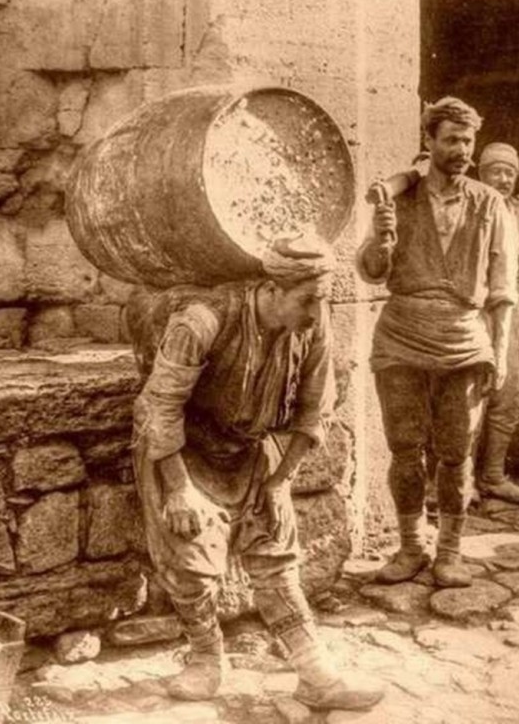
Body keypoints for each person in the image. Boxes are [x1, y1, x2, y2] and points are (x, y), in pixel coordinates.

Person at [126, 239, 385, 711]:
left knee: (276, 554)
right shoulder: (202, 320)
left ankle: (315, 674)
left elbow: (315, 409)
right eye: (305, 299)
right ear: (271, 289)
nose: (314, 311)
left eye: (320, 299)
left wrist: (280, 479)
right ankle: (206, 659)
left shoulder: (312, 323)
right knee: (192, 560)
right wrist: (179, 489)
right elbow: (159, 407)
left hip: (249, 447)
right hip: (184, 450)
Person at [357, 97, 518, 588]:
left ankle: (449, 553)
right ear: (428, 142)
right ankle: (411, 548)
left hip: (463, 340)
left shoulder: (489, 204)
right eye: (451, 140)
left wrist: (501, 350)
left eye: (467, 141)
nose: (462, 150)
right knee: (404, 449)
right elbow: (369, 272)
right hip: (402, 334)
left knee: (455, 453)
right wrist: (380, 245)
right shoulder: (398, 200)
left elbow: (502, 286)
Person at [475, 143, 519, 503]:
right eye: (494, 171)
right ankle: (461, 481)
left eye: (508, 172)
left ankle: (494, 476)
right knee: (470, 398)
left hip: (512, 314)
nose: (502, 179)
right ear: (480, 174)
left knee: (509, 396)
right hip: (477, 311)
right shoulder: (469, 206)